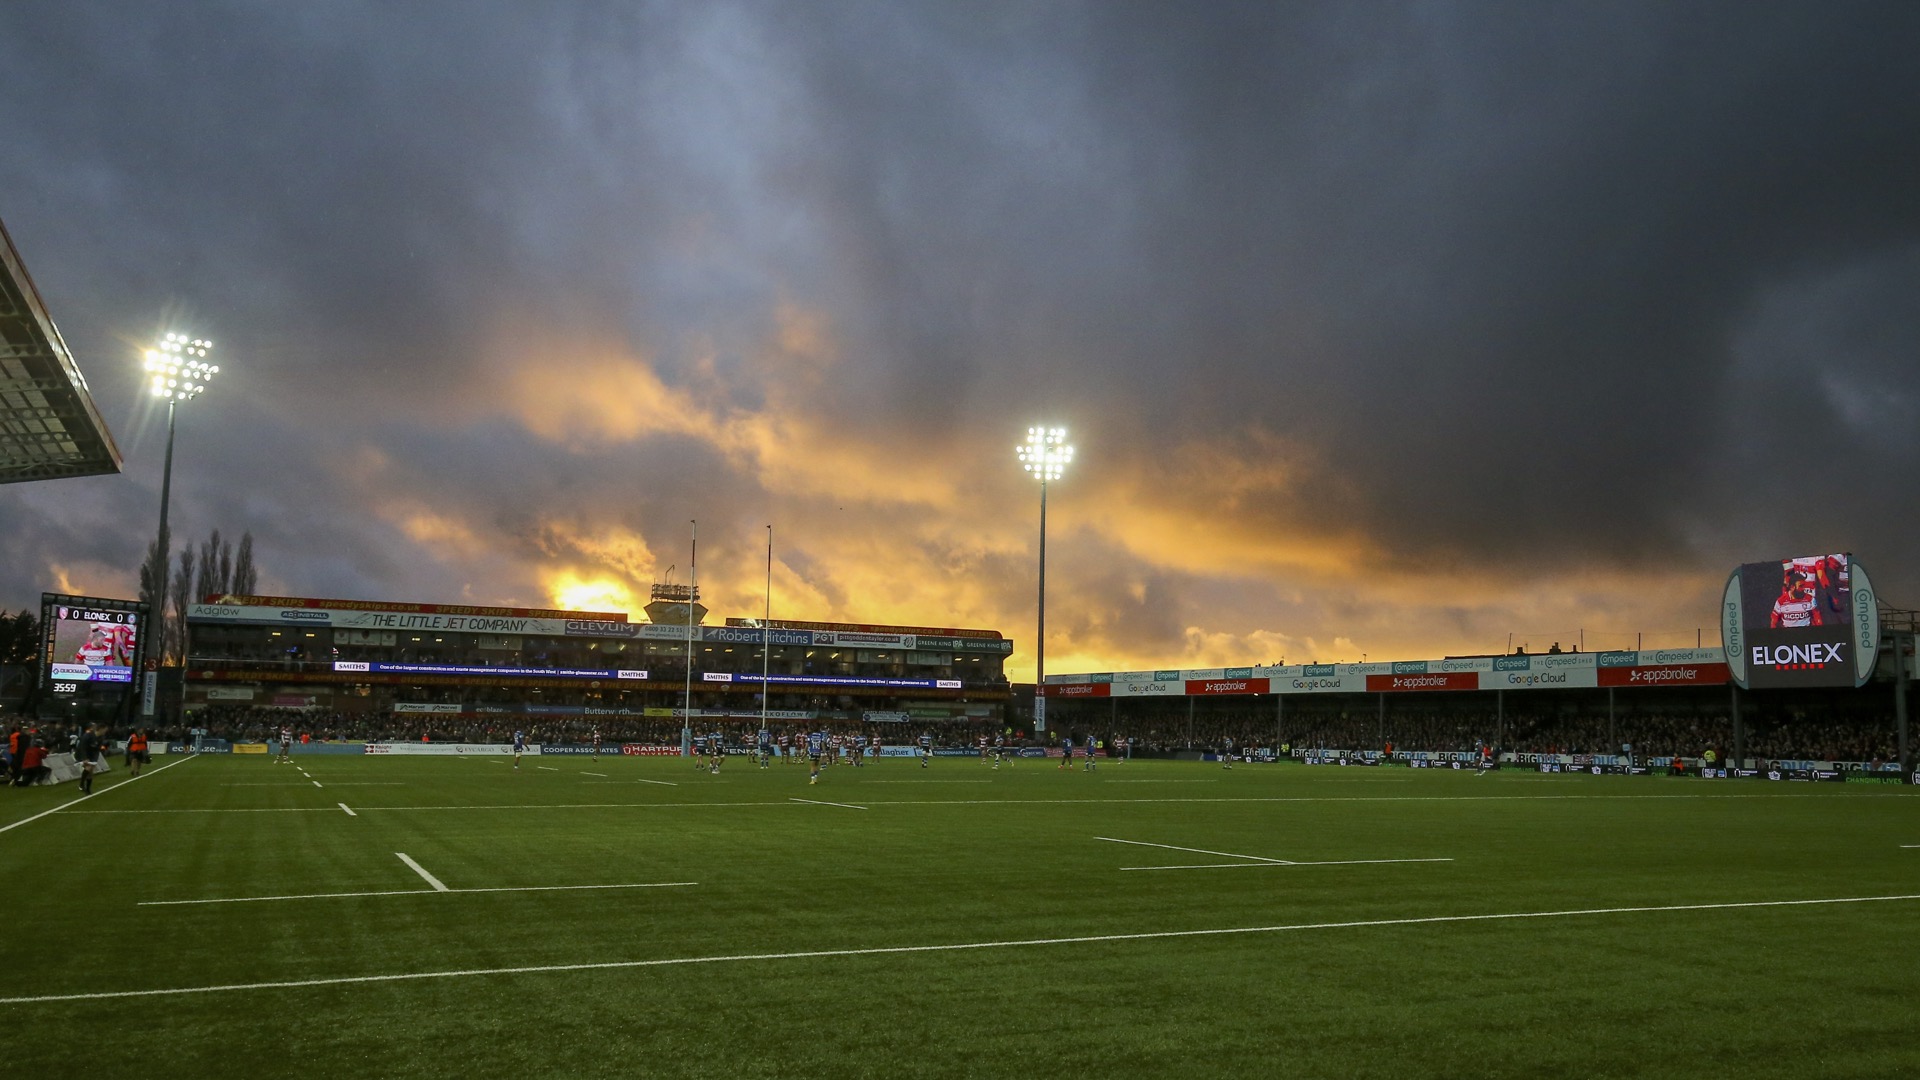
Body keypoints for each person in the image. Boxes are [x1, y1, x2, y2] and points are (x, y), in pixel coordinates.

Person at [76, 724, 102, 796]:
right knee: (88, 768)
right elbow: (82, 747)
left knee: (90, 772)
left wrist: (94, 759)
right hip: (83, 754)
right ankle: (81, 784)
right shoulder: (87, 735)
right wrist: (84, 757)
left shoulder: (98, 737)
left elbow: (97, 749)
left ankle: (87, 789)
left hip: (91, 755)